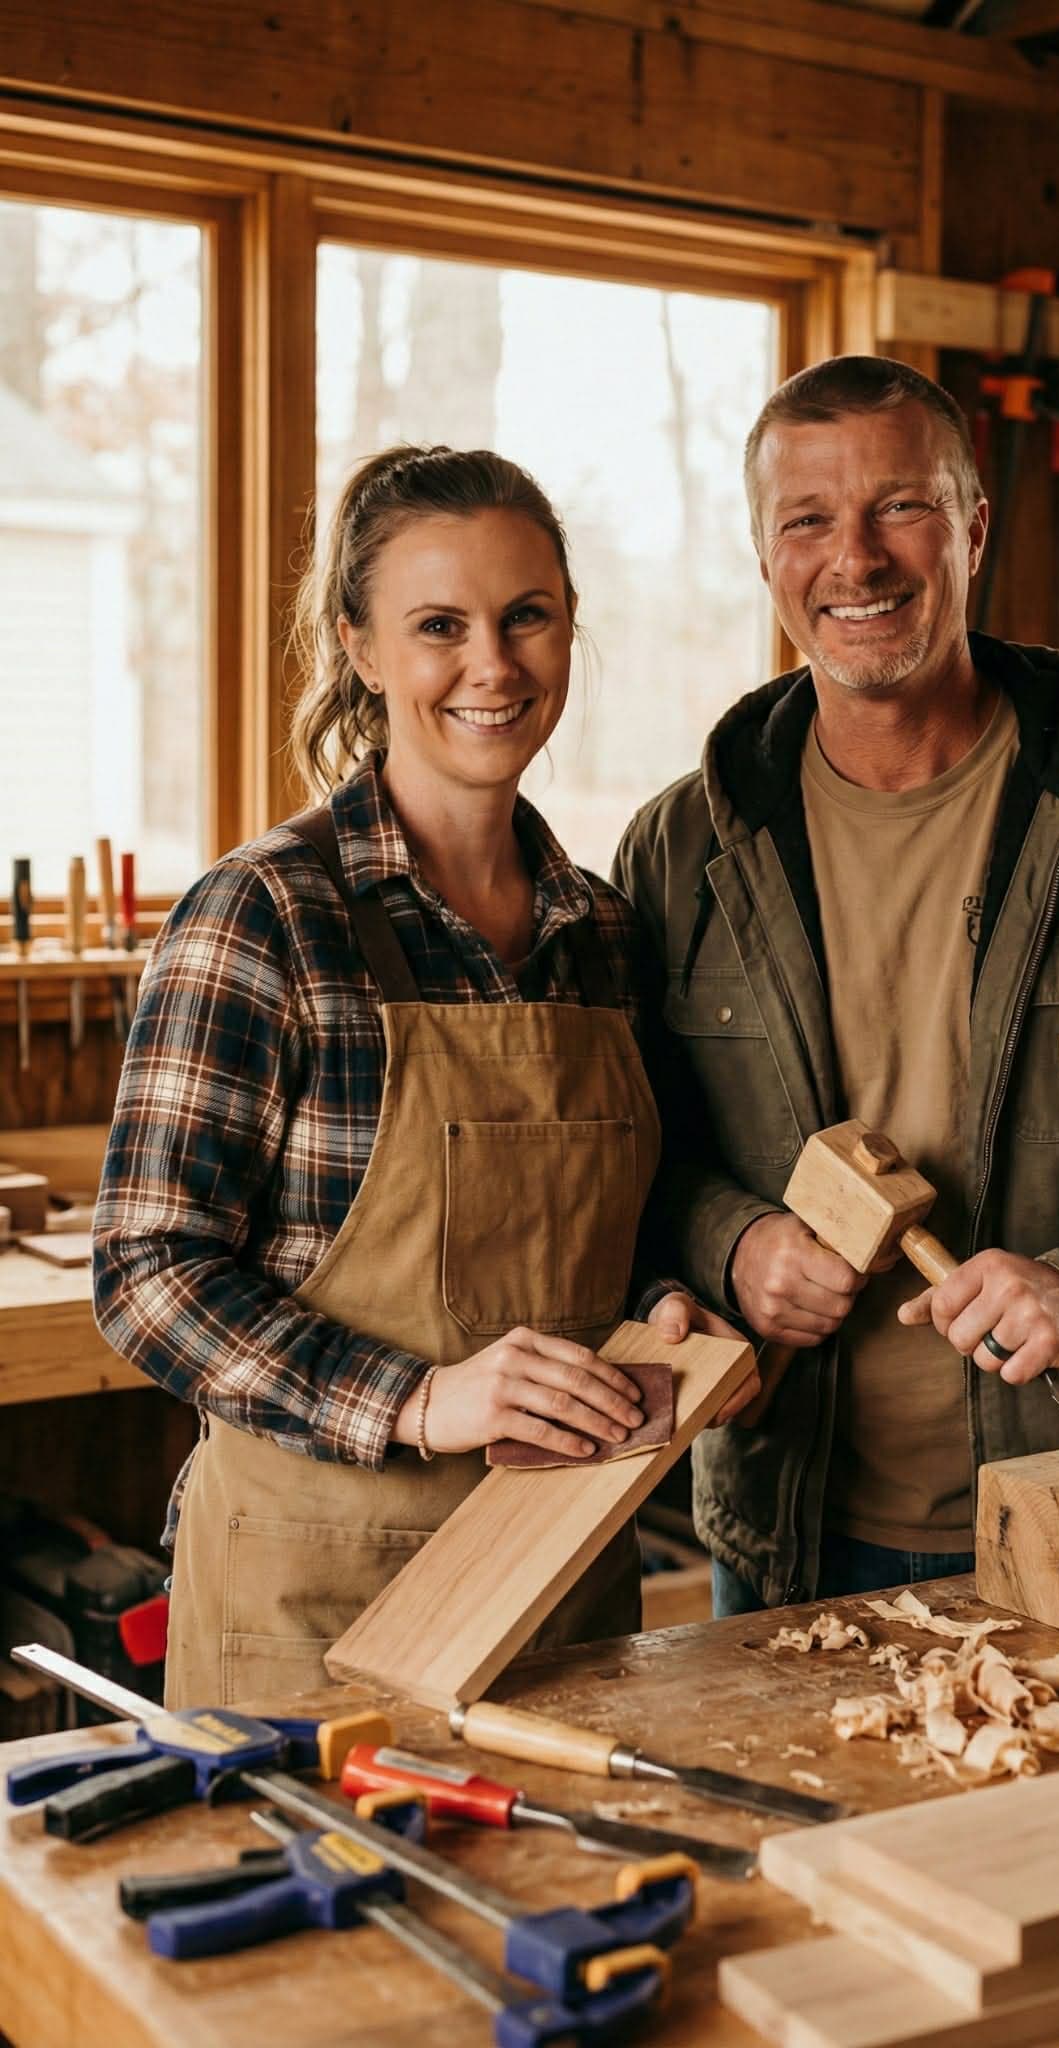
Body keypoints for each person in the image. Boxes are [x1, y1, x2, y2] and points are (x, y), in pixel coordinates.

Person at [613, 355, 1059, 1617]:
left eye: (900, 505)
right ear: (763, 552)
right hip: (788, 1528)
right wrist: (730, 1245)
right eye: (808, 519)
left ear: (973, 527)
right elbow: (634, 1156)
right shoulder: (681, 849)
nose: (857, 558)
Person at [93, 444, 753, 1705]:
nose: (493, 667)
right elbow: (146, 1269)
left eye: (527, 618)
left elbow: (623, 1224)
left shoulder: (603, 933)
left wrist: (670, 1311)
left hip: (563, 1596)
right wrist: (422, 1397)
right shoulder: (265, 914)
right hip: (312, 1620)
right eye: (439, 625)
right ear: (360, 645)